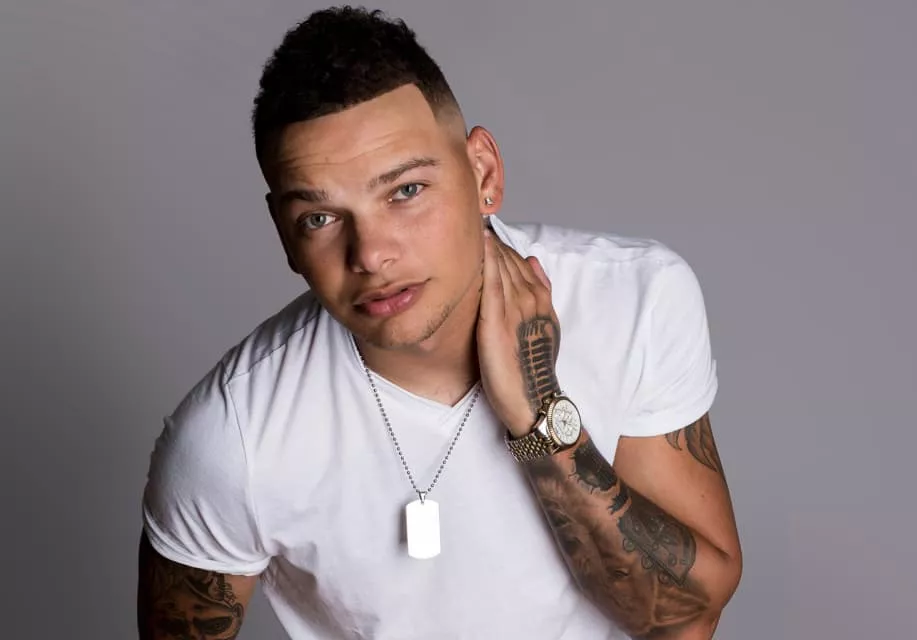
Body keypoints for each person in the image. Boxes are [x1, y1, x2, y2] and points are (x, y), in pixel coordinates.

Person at [137, 6, 742, 640]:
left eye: (405, 191)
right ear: (285, 236)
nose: (371, 254)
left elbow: (688, 617)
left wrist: (540, 417)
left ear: (483, 173)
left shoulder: (634, 298)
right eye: (320, 218)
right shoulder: (232, 437)